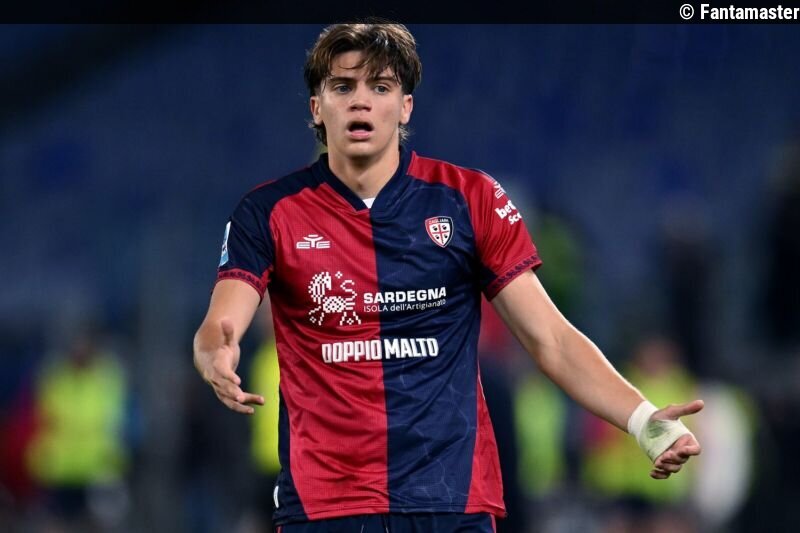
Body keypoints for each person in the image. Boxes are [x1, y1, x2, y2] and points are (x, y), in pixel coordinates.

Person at [193, 22, 703, 532]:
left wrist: (643, 421)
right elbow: (223, 321)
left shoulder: (469, 199)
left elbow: (550, 338)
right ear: (316, 108)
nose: (361, 102)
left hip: (450, 503)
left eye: (380, 87)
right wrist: (216, 352)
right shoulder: (269, 211)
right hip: (326, 507)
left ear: (406, 107)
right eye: (343, 87)